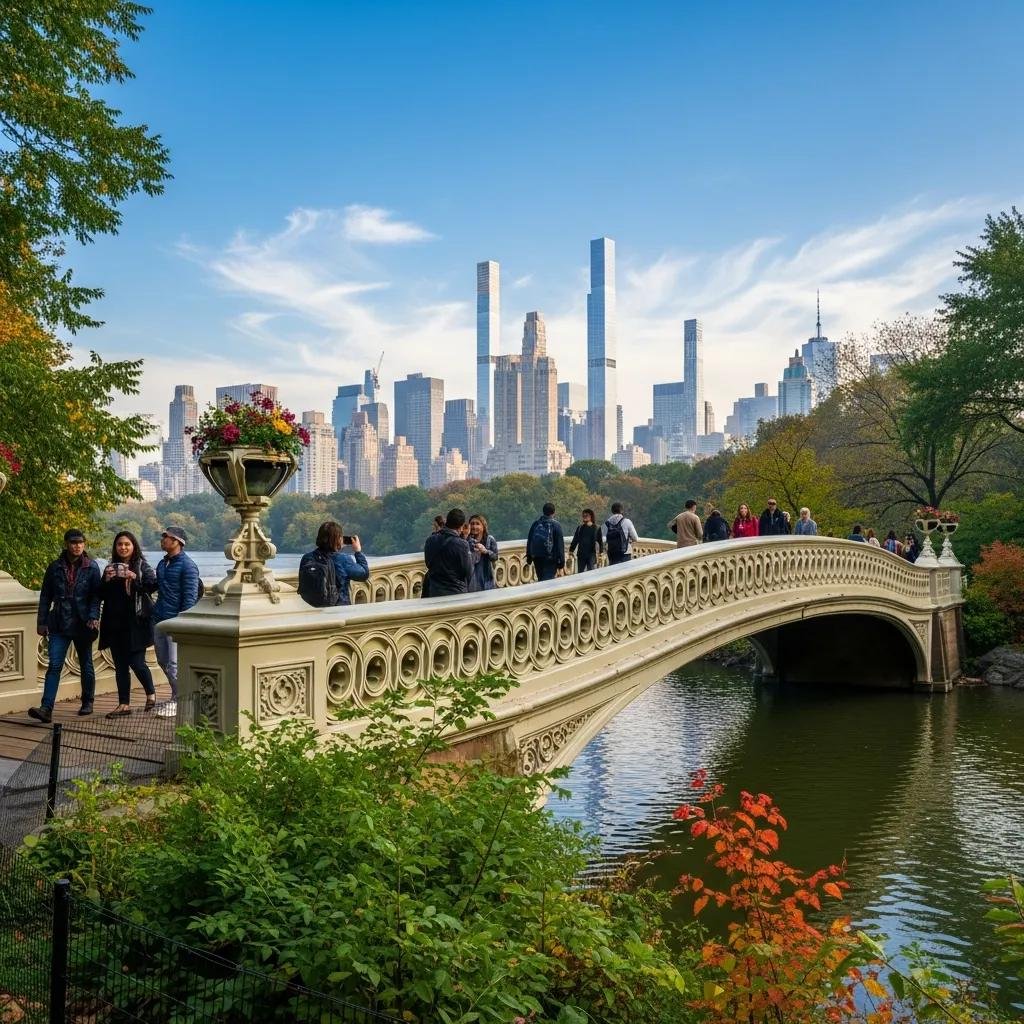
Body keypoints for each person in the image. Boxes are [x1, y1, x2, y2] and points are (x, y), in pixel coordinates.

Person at [29, 529, 102, 723]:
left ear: (84, 544)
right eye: (73, 542)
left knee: (86, 663)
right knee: (54, 665)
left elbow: (96, 596)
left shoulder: (92, 567)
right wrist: (41, 622)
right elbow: (45, 596)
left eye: (80, 542)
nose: (77, 545)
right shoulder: (54, 567)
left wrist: (94, 616)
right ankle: (46, 708)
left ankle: (88, 701)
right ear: (66, 544)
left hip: (83, 623)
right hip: (59, 623)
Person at [99, 531, 159, 717]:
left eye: (127, 544)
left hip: (136, 623)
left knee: (137, 662)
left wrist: (135, 578)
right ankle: (123, 704)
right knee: (121, 665)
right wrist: (107, 580)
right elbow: (100, 595)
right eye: (119, 544)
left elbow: (152, 586)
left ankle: (151, 694)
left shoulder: (142, 566)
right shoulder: (110, 568)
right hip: (114, 623)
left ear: (134, 546)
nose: (123, 547)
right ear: (115, 547)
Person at [152, 526, 201, 717]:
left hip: (176, 621)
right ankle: (176, 695)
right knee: (162, 661)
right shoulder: (163, 564)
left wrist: (183, 622)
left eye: (166, 537)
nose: (162, 539)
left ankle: (179, 701)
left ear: (177, 542)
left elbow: (190, 597)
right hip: (160, 619)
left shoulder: (188, 566)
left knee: (174, 664)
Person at [298, 521, 370, 607]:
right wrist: (358, 552)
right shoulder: (343, 559)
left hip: (311, 609)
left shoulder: (307, 558)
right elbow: (364, 573)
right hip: (338, 609)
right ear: (338, 539)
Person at [423, 508, 475, 596]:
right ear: (461, 527)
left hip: (434, 591)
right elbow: (468, 571)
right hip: (456, 591)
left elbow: (428, 564)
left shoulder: (430, 540)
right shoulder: (462, 544)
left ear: (447, 521)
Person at [526, 502, 566, 581]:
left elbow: (530, 540)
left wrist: (529, 557)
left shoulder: (536, 524)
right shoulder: (556, 525)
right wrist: (561, 562)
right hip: (550, 559)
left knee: (541, 579)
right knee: (548, 581)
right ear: (553, 512)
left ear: (543, 511)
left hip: (537, 558)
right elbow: (559, 545)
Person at [467, 514, 499, 591]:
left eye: (477, 524)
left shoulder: (490, 539)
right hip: (471, 581)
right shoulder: (466, 540)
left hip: (486, 579)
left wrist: (486, 551)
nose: (474, 527)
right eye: (472, 524)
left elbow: (495, 556)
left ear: (483, 526)